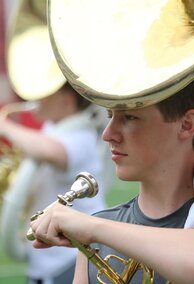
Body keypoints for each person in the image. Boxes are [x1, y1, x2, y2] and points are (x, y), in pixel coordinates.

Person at [29, 68, 194, 284]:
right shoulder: (96, 236)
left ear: (187, 124)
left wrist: (92, 228)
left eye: (130, 117)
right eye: (110, 116)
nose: (108, 134)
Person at [0, 81, 107, 284]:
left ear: (66, 100)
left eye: (45, 94)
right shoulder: (52, 127)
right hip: (46, 259)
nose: (35, 100)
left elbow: (53, 151)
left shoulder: (82, 134)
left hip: (73, 255)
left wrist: (5, 126)